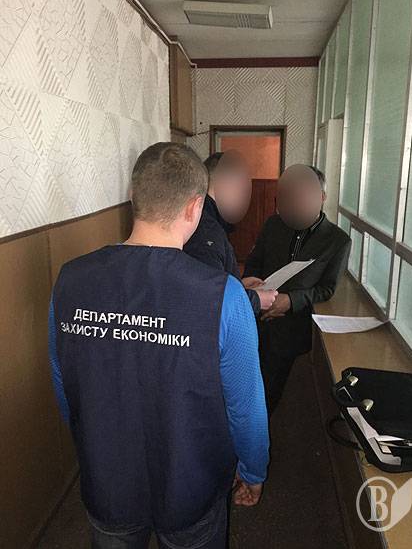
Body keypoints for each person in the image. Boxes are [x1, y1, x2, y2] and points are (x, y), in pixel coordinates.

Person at [48, 143, 269, 549]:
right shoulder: (224, 296)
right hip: (191, 487)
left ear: (134, 196)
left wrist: (95, 442)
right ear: (196, 207)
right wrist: (254, 469)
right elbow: (245, 406)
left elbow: (67, 389)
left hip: (107, 479)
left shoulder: (70, 280)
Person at [243, 164, 351, 414]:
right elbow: (254, 261)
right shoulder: (273, 224)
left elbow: (326, 289)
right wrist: (253, 286)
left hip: (291, 325)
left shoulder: (337, 241)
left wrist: (291, 301)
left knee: (271, 386)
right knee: (244, 374)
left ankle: (262, 421)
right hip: (255, 312)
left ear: (321, 197)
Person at [184, 150, 277, 315]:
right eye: (241, 189)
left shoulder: (212, 220)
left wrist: (238, 285)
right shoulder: (206, 229)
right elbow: (209, 299)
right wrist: (256, 299)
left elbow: (215, 279)